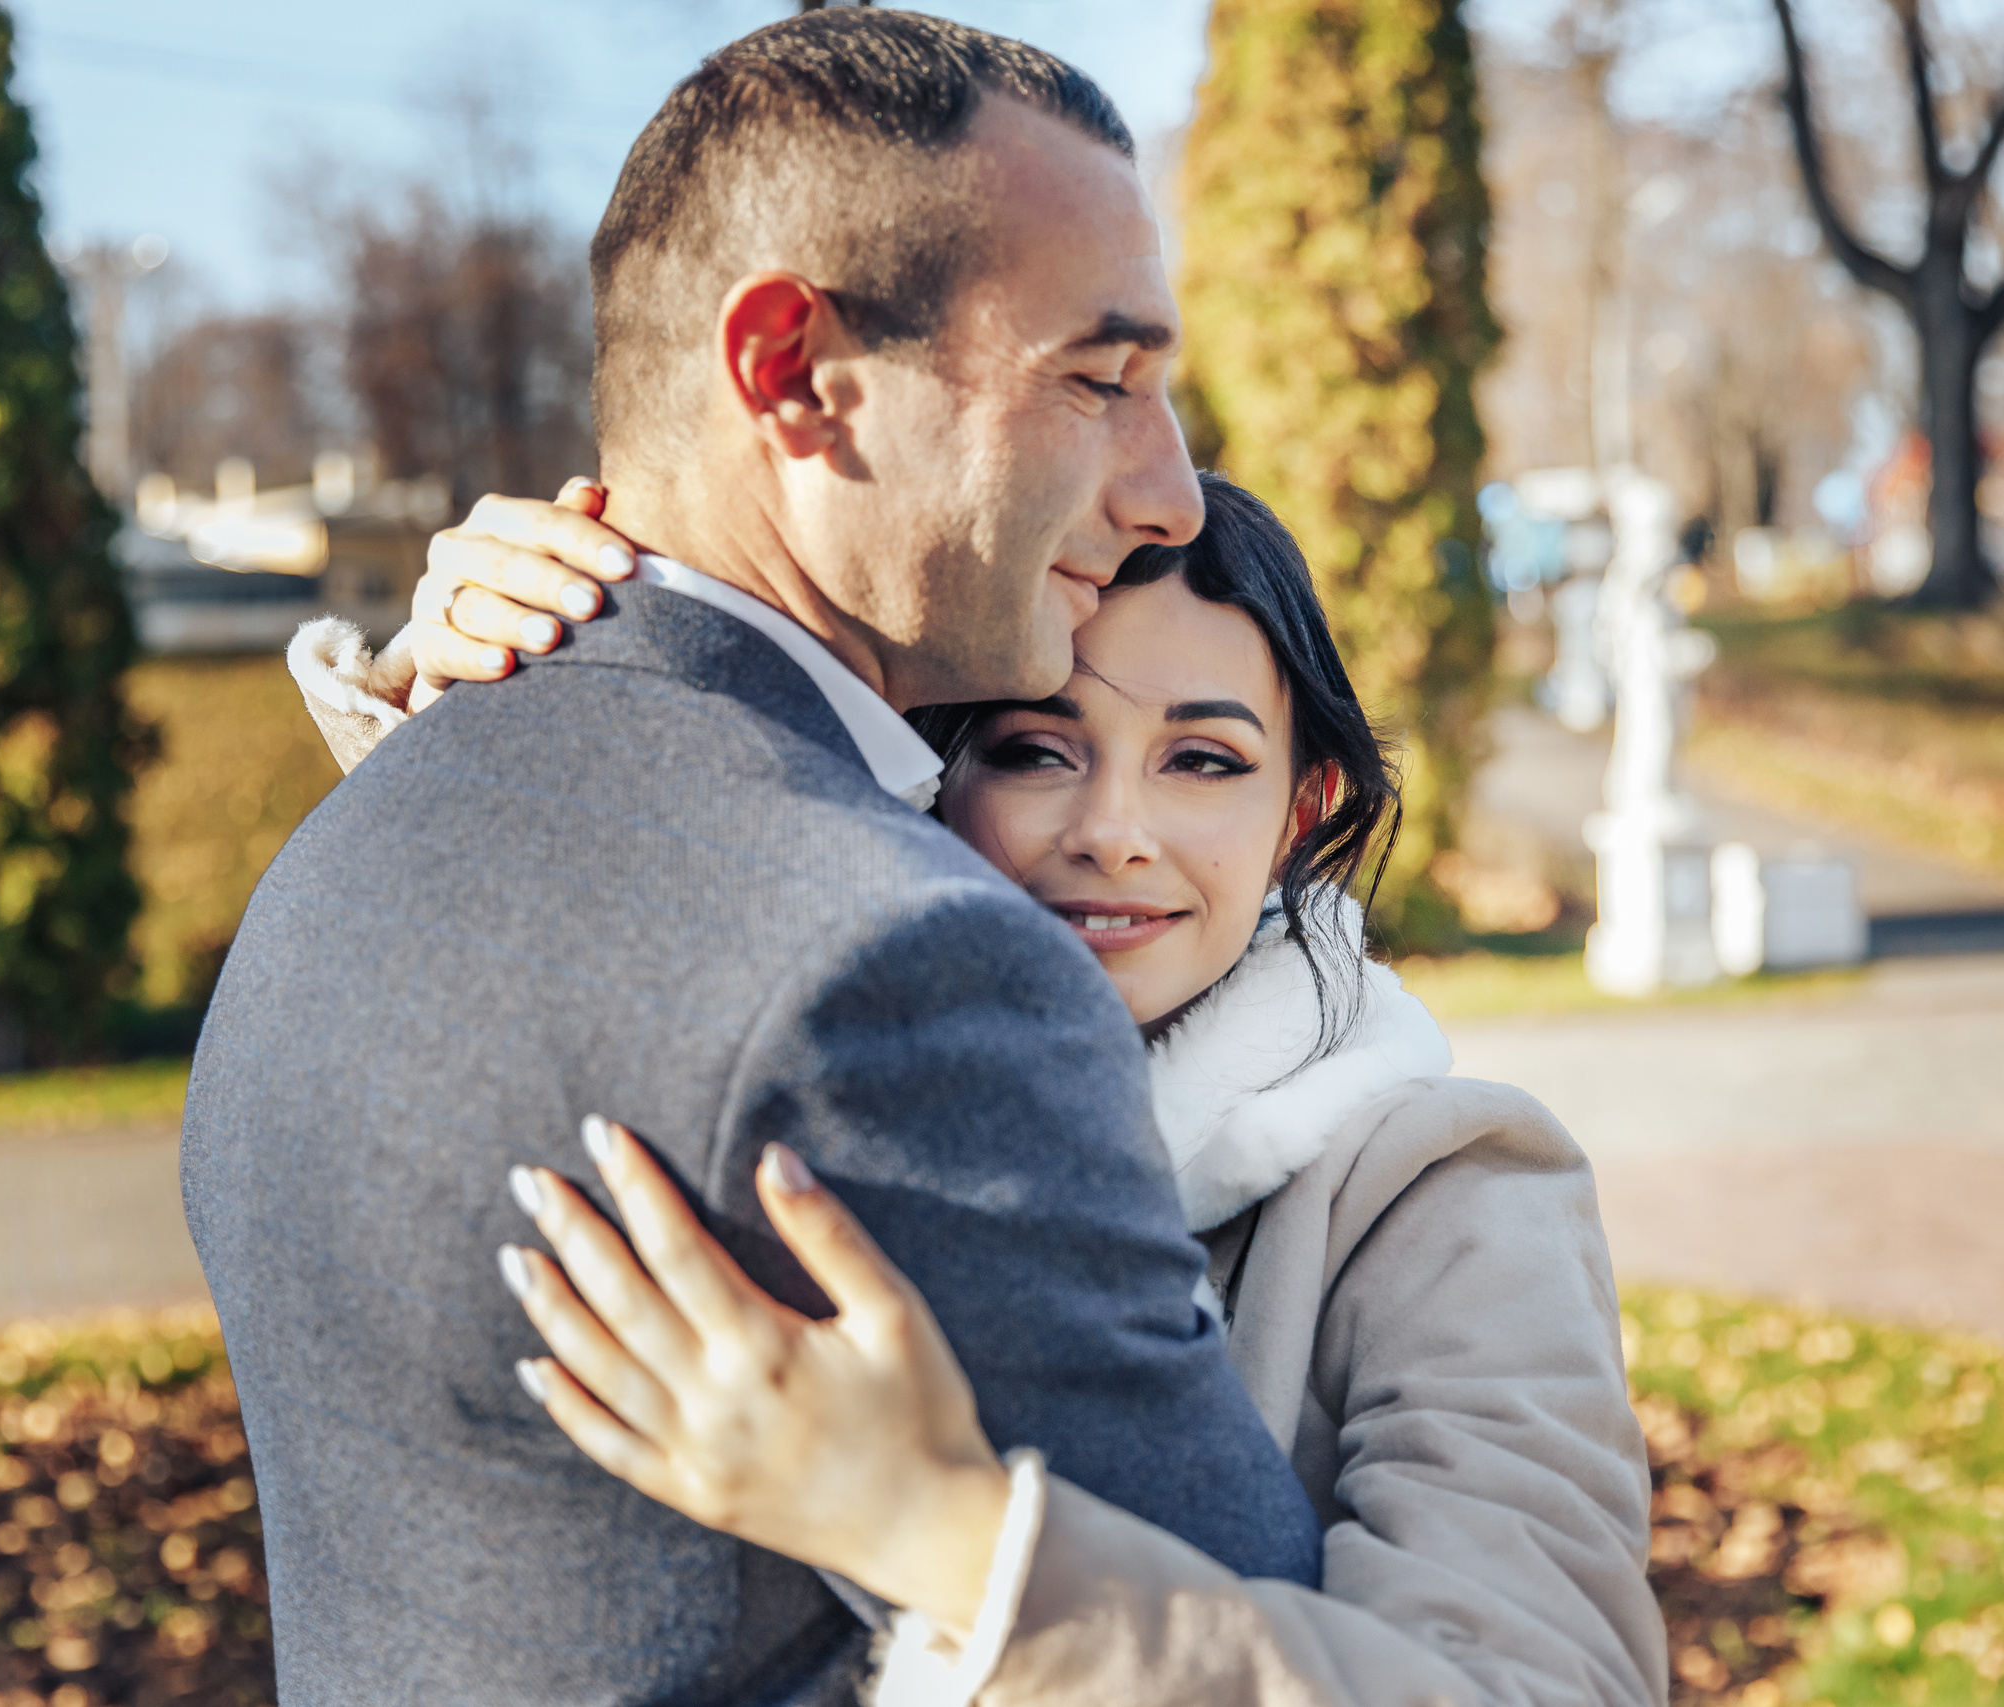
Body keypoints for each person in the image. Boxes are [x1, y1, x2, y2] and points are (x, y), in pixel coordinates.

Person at [184, 14, 1325, 1706]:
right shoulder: (897, 974)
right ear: (793, 373)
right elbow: (1280, 1656)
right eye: (1100, 381)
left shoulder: (358, 833)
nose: (1170, 492)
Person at [292, 476, 1665, 1706]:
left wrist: (932, 1532)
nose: (1112, 834)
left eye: (1204, 760)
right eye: (1033, 749)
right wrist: (472, 689)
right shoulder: (857, 1071)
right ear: (933, 778)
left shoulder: (1453, 1197)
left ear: (1302, 809)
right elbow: (587, 963)